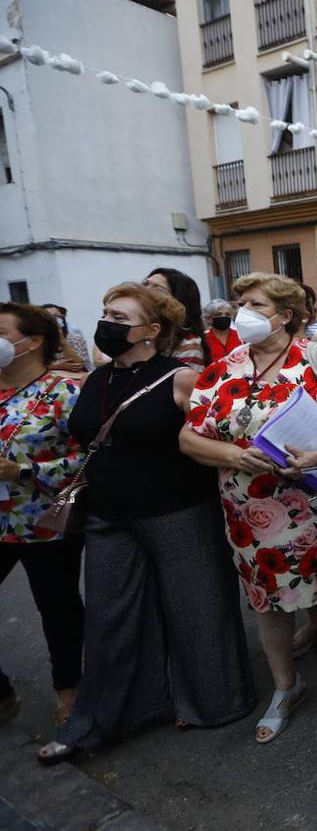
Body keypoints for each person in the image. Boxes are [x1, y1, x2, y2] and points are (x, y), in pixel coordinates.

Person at [37, 285, 255, 764]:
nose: (107, 322)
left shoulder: (181, 378)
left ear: (152, 330)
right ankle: (97, 721)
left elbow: (219, 434)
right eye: (105, 313)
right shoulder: (95, 379)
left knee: (198, 609)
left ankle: (215, 703)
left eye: (119, 315)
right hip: (107, 515)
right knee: (109, 618)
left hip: (179, 511)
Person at [179, 272, 317, 743]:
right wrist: (234, 455)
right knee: (266, 596)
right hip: (249, 510)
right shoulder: (222, 368)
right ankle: (286, 685)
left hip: (316, 500)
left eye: (256, 304)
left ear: (286, 316)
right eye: (241, 302)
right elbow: (189, 437)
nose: (242, 311)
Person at [0, 304, 83, 730]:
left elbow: (89, 459)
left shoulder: (64, 393)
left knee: (58, 609)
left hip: (44, 520)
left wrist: (25, 471)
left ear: (31, 342)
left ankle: (70, 692)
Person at [144, 267, 207, 369]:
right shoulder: (138, 331)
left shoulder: (188, 345)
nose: (145, 290)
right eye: (145, 284)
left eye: (156, 287)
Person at [42, 304, 93, 372]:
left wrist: (62, 341)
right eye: (50, 316)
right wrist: (55, 366)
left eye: (57, 316)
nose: (55, 319)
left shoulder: (75, 339)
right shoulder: (35, 343)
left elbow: (77, 365)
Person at [203, 298, 241, 363]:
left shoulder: (241, 337)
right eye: (218, 314)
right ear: (209, 318)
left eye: (227, 314)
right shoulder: (204, 339)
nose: (223, 316)